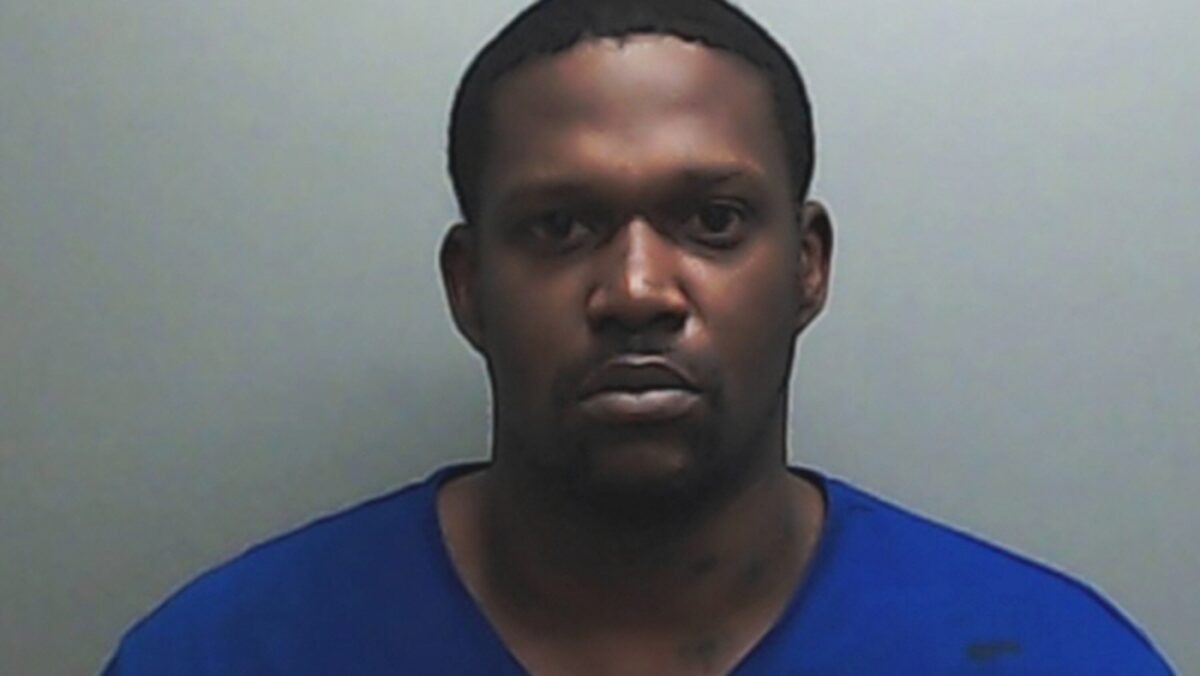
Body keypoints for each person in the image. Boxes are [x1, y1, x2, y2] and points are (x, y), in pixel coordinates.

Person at [103, 0, 1172, 673]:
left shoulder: (1052, 655)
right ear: (469, 285)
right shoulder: (221, 654)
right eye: (559, 226)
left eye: (713, 220)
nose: (636, 289)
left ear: (807, 265)